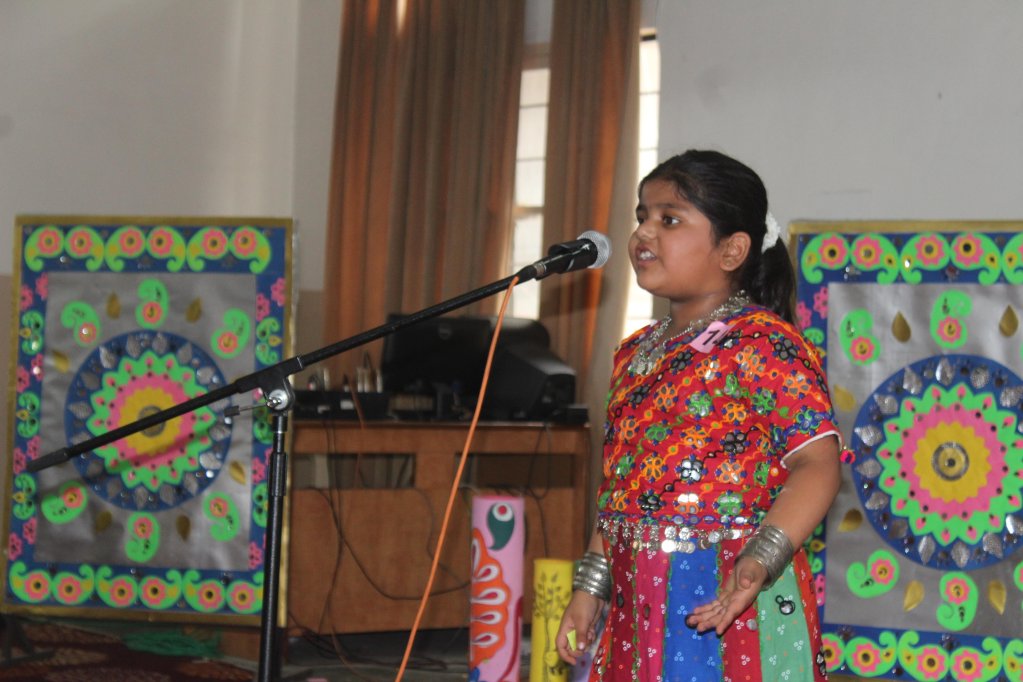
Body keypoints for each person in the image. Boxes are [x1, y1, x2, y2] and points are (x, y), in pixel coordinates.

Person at [555, 149, 842, 681]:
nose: (643, 233)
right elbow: (619, 487)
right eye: (642, 215)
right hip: (637, 594)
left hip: (728, 593)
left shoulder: (763, 342)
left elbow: (818, 463)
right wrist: (591, 586)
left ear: (732, 250)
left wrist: (758, 561)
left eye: (669, 219)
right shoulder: (635, 353)